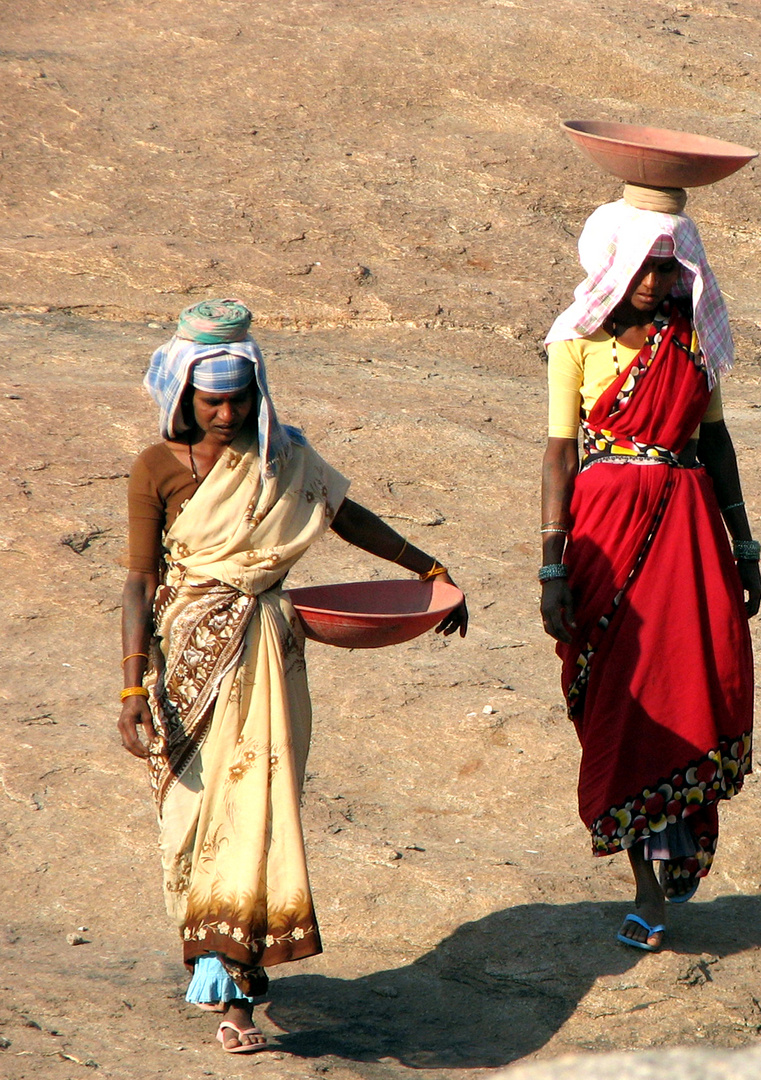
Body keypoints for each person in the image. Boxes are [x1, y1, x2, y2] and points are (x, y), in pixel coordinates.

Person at [116, 300, 468, 1053]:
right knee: (193, 820)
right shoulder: (155, 468)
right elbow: (140, 583)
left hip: (270, 655)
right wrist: (128, 687)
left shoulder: (286, 459)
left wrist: (425, 568)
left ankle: (241, 993)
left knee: (261, 817)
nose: (226, 410)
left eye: (238, 395)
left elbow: (348, 516)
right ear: (183, 394)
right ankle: (212, 958)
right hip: (184, 668)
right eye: (211, 398)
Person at [539, 195, 759, 953]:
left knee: (690, 681)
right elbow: (559, 453)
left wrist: (746, 543)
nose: (655, 279)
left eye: (668, 265)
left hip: (689, 531)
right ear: (612, 263)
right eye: (643, 264)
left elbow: (718, 443)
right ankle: (643, 881)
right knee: (622, 701)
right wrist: (551, 564)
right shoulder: (574, 339)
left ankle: (675, 851)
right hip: (603, 535)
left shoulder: (695, 340)